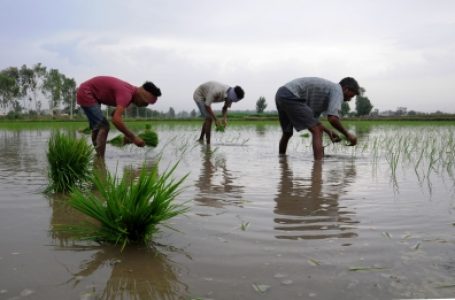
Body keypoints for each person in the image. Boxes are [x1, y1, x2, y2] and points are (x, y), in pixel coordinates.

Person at [77, 76, 161, 159]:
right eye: (145, 102)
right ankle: (100, 159)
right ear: (141, 93)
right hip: (87, 92)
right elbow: (116, 120)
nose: (144, 105)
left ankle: (98, 158)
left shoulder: (130, 95)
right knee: (103, 126)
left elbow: (113, 115)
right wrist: (133, 138)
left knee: (98, 127)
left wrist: (128, 137)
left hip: (91, 94)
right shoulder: (127, 94)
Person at [275, 77, 359, 160]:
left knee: (287, 133)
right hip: (291, 95)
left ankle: (281, 160)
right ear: (346, 89)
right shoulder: (338, 91)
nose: (349, 99)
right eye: (352, 95)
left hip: (281, 94)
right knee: (317, 131)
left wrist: (328, 131)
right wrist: (348, 134)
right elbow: (332, 118)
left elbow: (314, 121)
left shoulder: (325, 93)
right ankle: (318, 165)